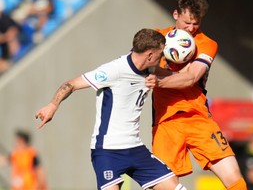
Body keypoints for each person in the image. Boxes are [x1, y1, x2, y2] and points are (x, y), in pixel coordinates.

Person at [35, 28, 187, 190]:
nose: (162, 58)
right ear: (149, 55)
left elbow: (175, 77)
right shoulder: (114, 70)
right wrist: (52, 105)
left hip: (135, 148)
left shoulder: (150, 69)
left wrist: (193, 71)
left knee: (174, 187)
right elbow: (71, 84)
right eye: (160, 55)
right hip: (107, 151)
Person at [150, 0, 247, 189]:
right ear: (175, 14)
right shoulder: (156, 37)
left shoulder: (207, 43)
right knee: (161, 185)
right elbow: (135, 63)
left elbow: (191, 77)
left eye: (196, 23)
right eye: (187, 22)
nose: (191, 28)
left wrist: (156, 79)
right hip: (165, 121)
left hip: (198, 117)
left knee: (235, 178)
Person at [0, 0, 22, 74]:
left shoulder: (4, 20)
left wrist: (5, 37)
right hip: (5, 54)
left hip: (10, 53)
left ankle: (13, 60)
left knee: (12, 40)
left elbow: (13, 32)